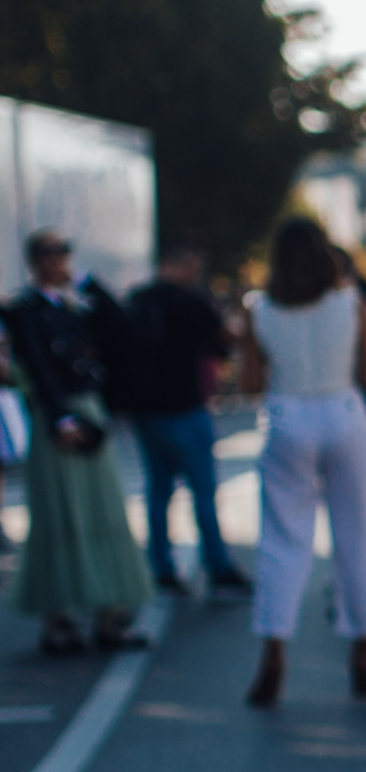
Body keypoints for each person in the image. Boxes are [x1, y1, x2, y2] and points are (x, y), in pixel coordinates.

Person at [240, 220, 366, 706]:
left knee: (282, 539)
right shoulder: (348, 303)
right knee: (363, 534)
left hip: (288, 416)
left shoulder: (259, 309)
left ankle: (273, 650)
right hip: (344, 413)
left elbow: (249, 383)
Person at [1, 230, 153, 653]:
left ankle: (110, 613)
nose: (59, 260)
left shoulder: (81, 304)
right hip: (57, 415)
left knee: (103, 509)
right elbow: (35, 365)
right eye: (50, 253)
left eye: (65, 252)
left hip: (91, 407)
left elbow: (127, 333)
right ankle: (59, 618)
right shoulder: (24, 310)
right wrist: (60, 417)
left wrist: (91, 284)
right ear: (35, 260)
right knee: (60, 513)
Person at [110, 237, 250, 599]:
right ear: (187, 264)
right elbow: (225, 341)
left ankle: (162, 568)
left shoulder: (138, 299)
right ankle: (218, 566)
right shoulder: (190, 302)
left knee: (158, 492)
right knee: (203, 492)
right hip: (185, 407)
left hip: (146, 411)